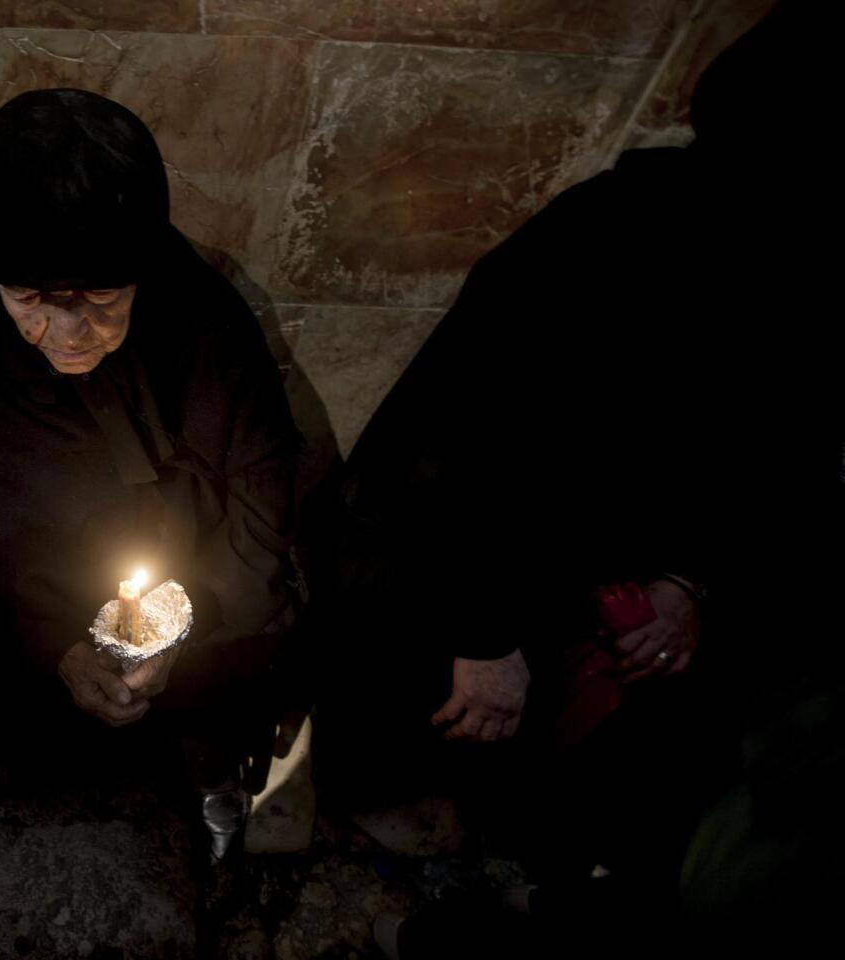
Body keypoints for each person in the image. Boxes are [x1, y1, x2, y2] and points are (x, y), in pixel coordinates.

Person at [317, 0, 838, 954]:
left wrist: (689, 579)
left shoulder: (800, 284)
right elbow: (465, 443)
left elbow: (767, 457)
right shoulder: (603, 245)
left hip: (614, 571)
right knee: (433, 692)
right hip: (481, 554)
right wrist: (487, 633)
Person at [0, 88, 300, 857]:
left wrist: (181, 621)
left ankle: (209, 753)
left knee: (258, 633)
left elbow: (263, 497)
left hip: (192, 591)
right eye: (29, 298)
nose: (64, 333)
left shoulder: (201, 322)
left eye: (98, 297)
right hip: (40, 605)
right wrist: (57, 642)